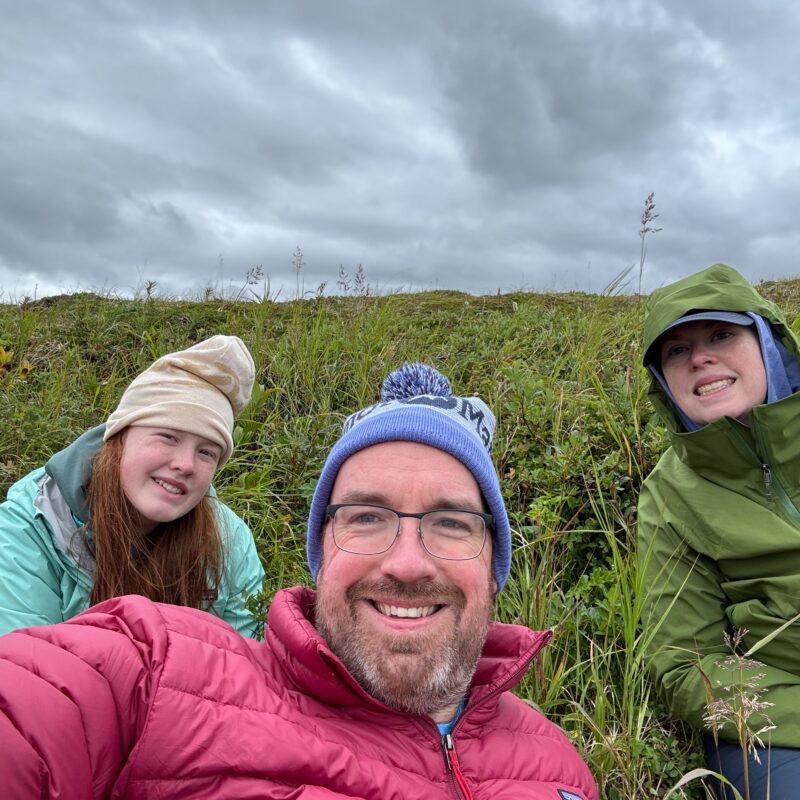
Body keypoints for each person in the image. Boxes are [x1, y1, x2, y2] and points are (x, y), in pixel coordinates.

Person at [0, 362, 598, 799]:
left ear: (496, 562)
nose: (408, 563)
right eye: (366, 517)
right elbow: (47, 703)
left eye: (451, 522)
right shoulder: (158, 668)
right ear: (320, 555)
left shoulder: (564, 770)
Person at [638, 264, 800, 798]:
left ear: (767, 340)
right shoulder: (669, 496)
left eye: (721, 334)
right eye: (676, 351)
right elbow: (685, 664)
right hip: (783, 729)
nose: (700, 357)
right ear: (664, 382)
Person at [0, 334, 265, 639]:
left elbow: (243, 664)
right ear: (120, 436)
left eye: (207, 452)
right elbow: (24, 669)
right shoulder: (28, 531)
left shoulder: (230, 542)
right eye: (168, 436)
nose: (186, 464)